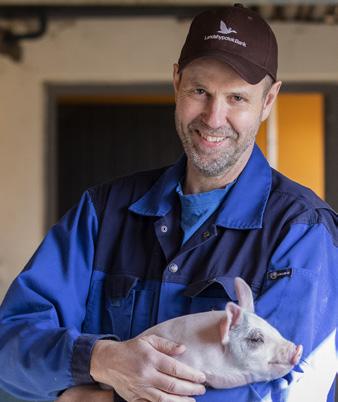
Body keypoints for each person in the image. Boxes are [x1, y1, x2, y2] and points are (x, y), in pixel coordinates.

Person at [0, 4, 337, 402]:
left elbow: (289, 386)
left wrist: (100, 398)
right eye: (200, 91)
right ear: (176, 82)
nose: (214, 117)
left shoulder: (302, 231)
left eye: (237, 98)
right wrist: (100, 358)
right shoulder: (103, 212)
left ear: (268, 101)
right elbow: (11, 345)